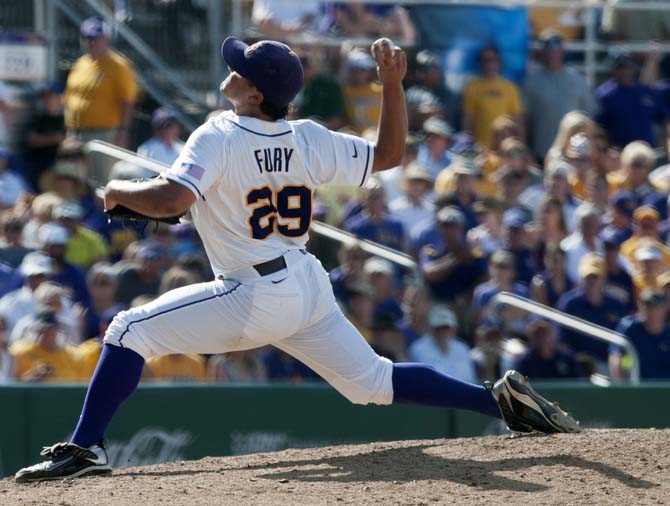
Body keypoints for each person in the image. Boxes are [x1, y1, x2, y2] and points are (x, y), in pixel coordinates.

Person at [15, 37, 579, 483]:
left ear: (255, 92)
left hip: (253, 292)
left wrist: (116, 191)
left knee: (125, 329)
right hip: (307, 282)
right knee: (371, 381)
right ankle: (499, 402)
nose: (230, 68)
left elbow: (170, 201)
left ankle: (84, 448)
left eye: (240, 67)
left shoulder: (218, 133)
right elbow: (388, 154)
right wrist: (392, 85)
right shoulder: (307, 135)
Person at [64, 17, 139, 181]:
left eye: (96, 38)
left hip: (104, 134)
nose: (92, 43)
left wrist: (123, 132)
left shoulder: (119, 65)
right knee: (75, 179)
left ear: (106, 39)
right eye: (88, 38)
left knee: (102, 180)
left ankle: (104, 208)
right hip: (75, 134)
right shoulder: (80, 63)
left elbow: (129, 101)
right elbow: (70, 96)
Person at [523, 30, 596, 160]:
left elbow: (589, 116)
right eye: (548, 48)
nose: (553, 52)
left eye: (556, 47)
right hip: (541, 151)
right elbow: (525, 119)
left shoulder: (578, 79)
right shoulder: (531, 81)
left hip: (573, 154)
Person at [557, 253, 628, 370]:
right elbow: (561, 340)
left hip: (610, 364)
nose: (592, 281)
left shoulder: (616, 305)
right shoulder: (569, 304)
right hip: (578, 367)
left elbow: (624, 340)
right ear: (581, 277)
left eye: (596, 276)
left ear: (604, 278)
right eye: (588, 276)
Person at [595, 53, 669, 150]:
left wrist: (665, 148)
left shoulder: (646, 92)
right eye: (619, 67)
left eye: (626, 66)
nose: (624, 71)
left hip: (648, 151)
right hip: (619, 153)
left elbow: (664, 121)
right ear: (612, 70)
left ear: (633, 67)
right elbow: (598, 128)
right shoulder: (603, 95)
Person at [462, 46, 523, 149]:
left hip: (504, 148)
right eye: (485, 60)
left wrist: (520, 144)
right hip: (480, 148)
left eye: (492, 60)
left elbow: (517, 119)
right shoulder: (472, 87)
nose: (489, 64)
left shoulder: (510, 87)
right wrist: (467, 143)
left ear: (499, 62)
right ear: (480, 63)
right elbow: (468, 119)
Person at [610, 289, 670, 381]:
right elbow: (616, 356)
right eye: (648, 306)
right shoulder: (629, 327)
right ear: (640, 307)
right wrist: (620, 388)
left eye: (657, 306)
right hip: (638, 389)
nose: (652, 311)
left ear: (665, 308)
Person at [408, 304, 476, 383]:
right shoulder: (417, 349)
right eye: (438, 328)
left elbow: (470, 379)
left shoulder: (462, 348)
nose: (442, 332)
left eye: (446, 327)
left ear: (454, 329)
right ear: (431, 329)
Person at [513, 318, 583, 380]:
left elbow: (578, 386)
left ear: (554, 335)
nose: (543, 338)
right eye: (537, 334)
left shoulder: (567, 359)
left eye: (546, 333)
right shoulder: (524, 361)